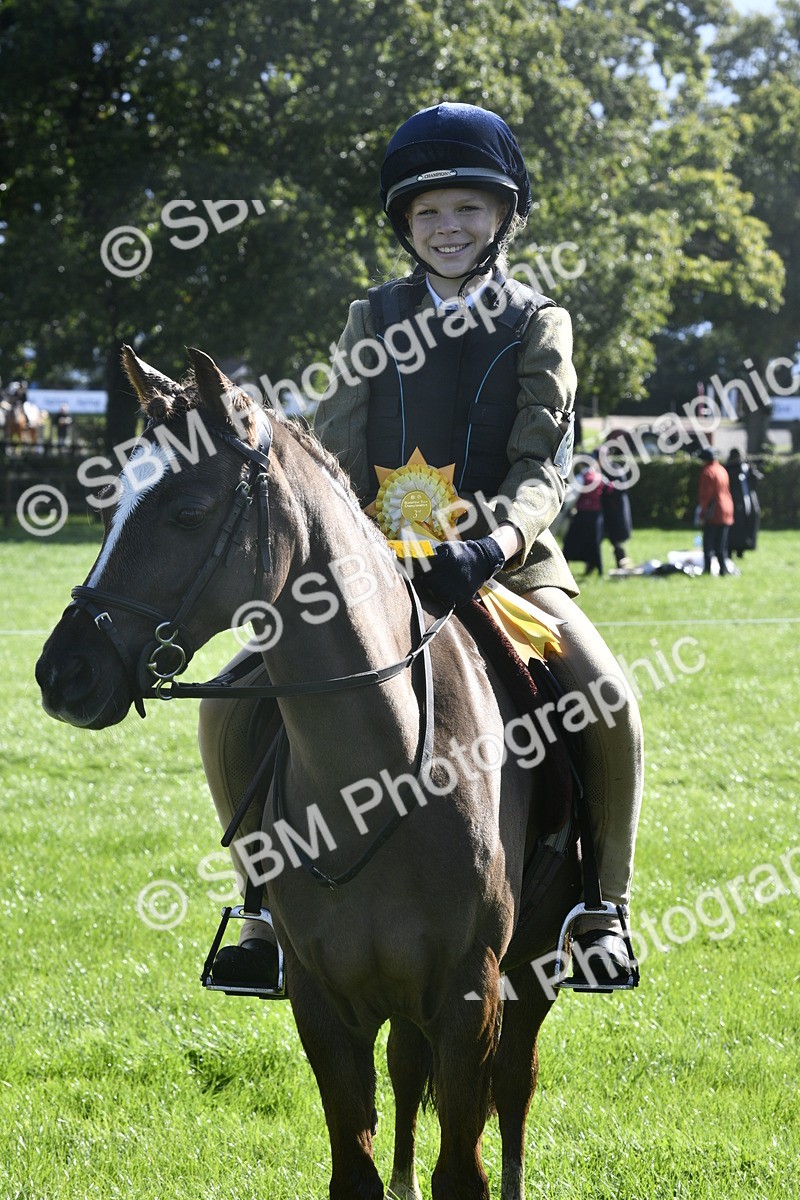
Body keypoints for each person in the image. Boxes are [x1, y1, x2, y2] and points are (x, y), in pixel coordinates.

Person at [199, 102, 644, 991]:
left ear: (503, 217)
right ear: (405, 226)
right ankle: (258, 910)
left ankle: (604, 906)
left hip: (508, 563)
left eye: (468, 208)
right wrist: (351, 550)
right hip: (375, 564)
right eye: (429, 212)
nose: (448, 227)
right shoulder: (374, 318)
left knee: (607, 696)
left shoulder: (538, 322)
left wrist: (495, 542)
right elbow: (329, 456)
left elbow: (541, 463)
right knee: (234, 695)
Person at [695, 447, 734, 574]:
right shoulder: (722, 469)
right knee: (722, 545)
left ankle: (707, 570)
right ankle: (723, 570)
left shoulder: (707, 472)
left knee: (708, 545)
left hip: (714, 511)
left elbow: (706, 496)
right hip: (727, 509)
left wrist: (702, 514)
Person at [562, 462, 605, 576]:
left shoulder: (581, 477)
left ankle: (563, 568)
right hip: (596, 515)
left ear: (581, 465)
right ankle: (598, 569)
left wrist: (566, 509)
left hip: (582, 515)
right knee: (594, 544)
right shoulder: (599, 477)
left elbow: (572, 497)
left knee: (570, 542)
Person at [725, 447, 761, 558]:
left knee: (746, 526)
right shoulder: (729, 469)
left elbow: (756, 479)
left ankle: (742, 549)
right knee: (733, 529)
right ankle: (730, 550)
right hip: (734, 503)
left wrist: (751, 468)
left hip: (746, 503)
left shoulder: (746, 468)